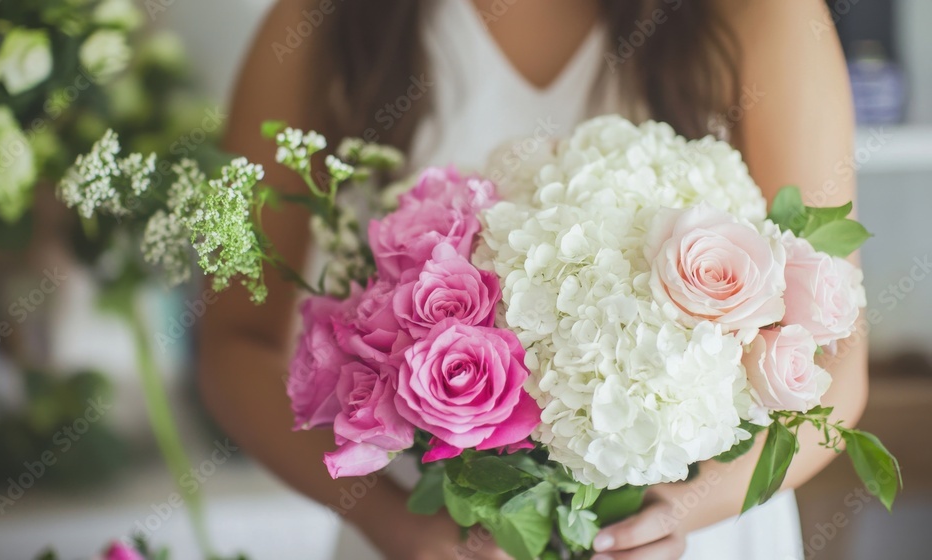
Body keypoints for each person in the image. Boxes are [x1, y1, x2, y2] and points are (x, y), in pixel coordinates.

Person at [199, 1, 866, 558]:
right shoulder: (328, 18)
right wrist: (397, 524)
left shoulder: (760, 13)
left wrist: (678, 511)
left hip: (699, 536)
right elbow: (236, 344)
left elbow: (836, 358)